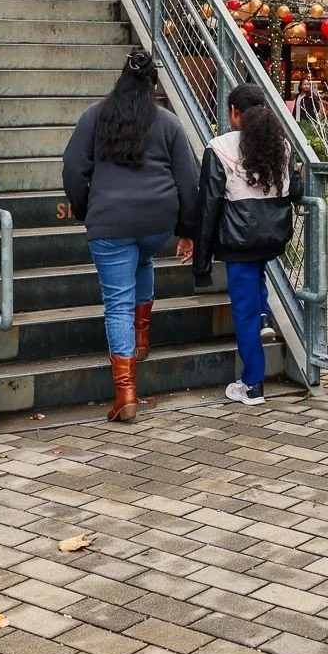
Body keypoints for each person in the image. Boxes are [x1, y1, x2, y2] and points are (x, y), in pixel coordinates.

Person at [62, 50, 198, 423]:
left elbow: (73, 168)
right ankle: (141, 338)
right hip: (157, 223)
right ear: (153, 87)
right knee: (144, 258)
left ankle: (125, 393)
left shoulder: (94, 117)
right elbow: (188, 179)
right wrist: (187, 230)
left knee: (117, 303)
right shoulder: (168, 122)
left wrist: (83, 208)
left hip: (110, 222)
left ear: (121, 81)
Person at [194, 84, 303, 405]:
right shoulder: (280, 145)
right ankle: (265, 317)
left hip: (237, 239)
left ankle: (253, 384)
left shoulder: (219, 148)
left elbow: (208, 205)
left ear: (234, 112)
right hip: (271, 236)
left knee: (243, 311)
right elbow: (295, 190)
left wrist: (201, 261)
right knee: (256, 283)